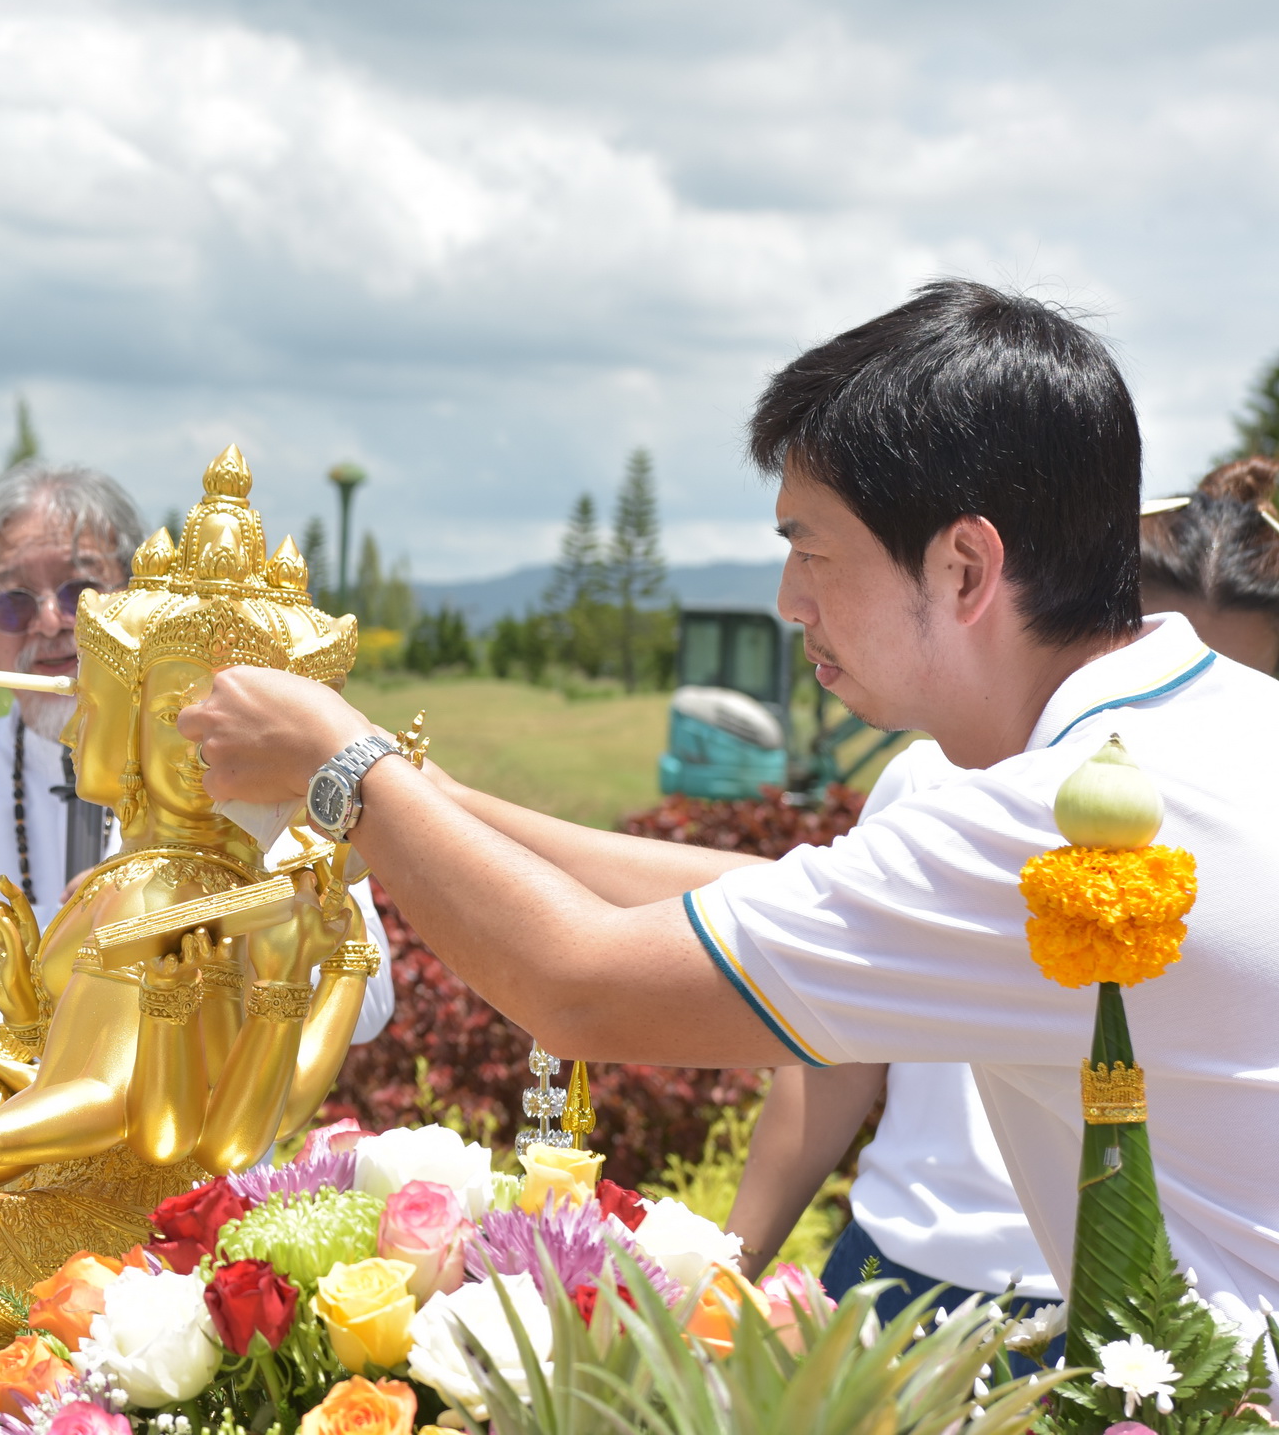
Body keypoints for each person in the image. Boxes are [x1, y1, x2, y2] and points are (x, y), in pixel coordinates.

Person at [177, 280, 1279, 1317]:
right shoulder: (1204, 731)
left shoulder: (1062, 821)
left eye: (814, 549)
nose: (791, 599)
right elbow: (770, 896)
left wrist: (342, 766)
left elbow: (583, 986)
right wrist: (438, 799)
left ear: (961, 567)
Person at [728, 453, 1279, 1316]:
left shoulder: (1253, 826)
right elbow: (832, 1057)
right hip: (903, 1280)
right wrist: (723, 1275)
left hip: (1126, 1327)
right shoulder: (939, 786)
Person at [0, 460, 397, 1056]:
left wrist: (210, 926)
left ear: (140, 603)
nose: (51, 622)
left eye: (80, 592)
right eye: (14, 604)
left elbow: (371, 1003)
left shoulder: (243, 767)